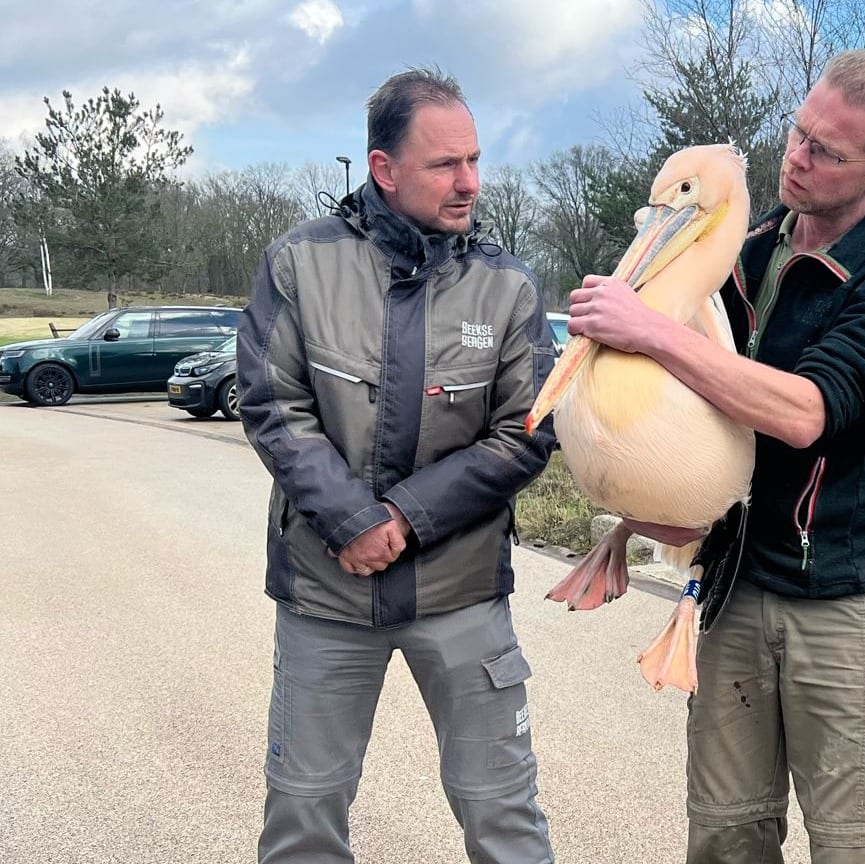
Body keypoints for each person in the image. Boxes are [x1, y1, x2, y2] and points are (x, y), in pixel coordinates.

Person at [565, 50, 865, 863]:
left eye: (827, 151)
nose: (797, 158)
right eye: (797, 132)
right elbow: (695, 413)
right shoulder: (738, 251)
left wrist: (651, 330)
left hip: (849, 604)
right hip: (736, 589)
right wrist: (640, 504)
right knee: (725, 838)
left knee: (860, 850)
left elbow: (804, 412)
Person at [236, 67, 558, 864]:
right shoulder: (298, 264)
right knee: (304, 813)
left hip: (461, 591)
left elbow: (526, 431)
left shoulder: (508, 287)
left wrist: (404, 519)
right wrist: (350, 520)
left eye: (474, 160)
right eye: (445, 164)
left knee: (503, 815)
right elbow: (273, 403)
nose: (469, 182)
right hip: (326, 593)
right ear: (383, 168)